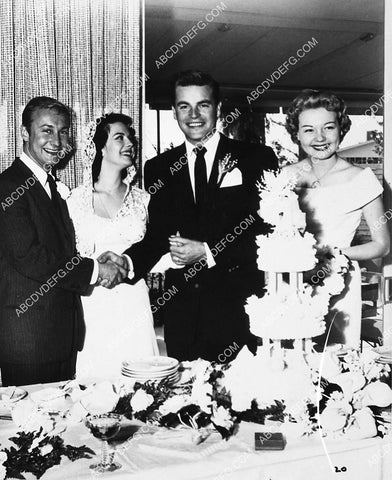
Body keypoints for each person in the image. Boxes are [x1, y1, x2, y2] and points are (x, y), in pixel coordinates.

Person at [100, 70, 278, 363]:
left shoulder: (256, 159)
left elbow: (266, 234)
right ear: (174, 111)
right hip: (182, 315)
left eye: (203, 105)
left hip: (237, 309)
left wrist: (208, 251)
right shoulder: (158, 167)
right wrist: (126, 261)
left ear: (218, 108)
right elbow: (157, 235)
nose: (193, 115)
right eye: (184, 106)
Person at [0, 97, 127, 387]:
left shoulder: (53, 189)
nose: (57, 141)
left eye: (63, 131)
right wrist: (96, 271)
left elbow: (60, 253)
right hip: (28, 341)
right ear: (24, 133)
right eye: (46, 130)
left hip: (60, 338)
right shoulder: (8, 187)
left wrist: (97, 258)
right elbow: (30, 258)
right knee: (30, 430)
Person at [284, 89, 390, 350]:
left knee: (335, 368)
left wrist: (333, 254)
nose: (319, 138)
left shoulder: (361, 178)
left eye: (328, 127)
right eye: (308, 130)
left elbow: (382, 245)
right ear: (296, 134)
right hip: (292, 283)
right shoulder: (285, 176)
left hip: (340, 281)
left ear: (341, 129)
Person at [67, 113, 159, 380]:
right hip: (91, 306)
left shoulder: (144, 200)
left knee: (141, 391)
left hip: (134, 304)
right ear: (100, 147)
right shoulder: (74, 200)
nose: (129, 142)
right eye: (119, 137)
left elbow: (156, 253)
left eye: (130, 138)